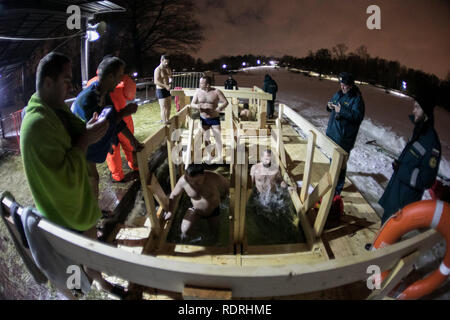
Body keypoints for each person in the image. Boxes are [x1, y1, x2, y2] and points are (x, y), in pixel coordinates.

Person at [20, 52, 126, 298]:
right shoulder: (37, 123)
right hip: (64, 211)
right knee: (74, 266)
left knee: (91, 250)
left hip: (80, 205)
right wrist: (85, 140)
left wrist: (90, 130)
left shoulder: (55, 109)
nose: (72, 86)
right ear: (48, 82)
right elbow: (62, 175)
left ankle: (100, 282)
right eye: (66, 80)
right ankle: (77, 292)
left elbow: (78, 133)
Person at [72, 57, 144, 201]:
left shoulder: (104, 93)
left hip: (89, 149)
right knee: (89, 180)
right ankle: (90, 216)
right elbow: (100, 127)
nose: (121, 80)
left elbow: (113, 119)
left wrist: (132, 140)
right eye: (119, 76)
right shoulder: (88, 99)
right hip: (78, 150)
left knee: (93, 178)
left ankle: (95, 212)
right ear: (110, 76)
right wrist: (124, 113)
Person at [379, 94, 441, 225]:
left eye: (417, 107)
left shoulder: (432, 143)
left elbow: (427, 179)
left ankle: (383, 246)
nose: (413, 111)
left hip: (405, 200)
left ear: (426, 112)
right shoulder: (419, 132)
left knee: (393, 232)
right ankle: (377, 246)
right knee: (385, 224)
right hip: (396, 192)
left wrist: (401, 170)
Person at [87, 71, 139, 183]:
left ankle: (117, 176)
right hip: (123, 119)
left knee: (112, 152)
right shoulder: (123, 79)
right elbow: (130, 95)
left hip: (105, 121)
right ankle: (135, 166)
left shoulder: (91, 83)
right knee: (130, 146)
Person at [325, 72, 365, 205]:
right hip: (333, 134)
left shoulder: (357, 99)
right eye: (341, 84)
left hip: (344, 138)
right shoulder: (339, 93)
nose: (342, 87)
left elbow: (357, 117)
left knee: (340, 164)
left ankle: (337, 190)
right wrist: (329, 105)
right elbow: (332, 103)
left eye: (345, 86)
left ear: (351, 85)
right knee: (333, 161)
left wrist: (341, 111)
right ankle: (330, 184)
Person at [163, 164, 230, 241]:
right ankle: (199, 239)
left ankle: (210, 242)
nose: (195, 184)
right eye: (191, 181)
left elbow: (227, 186)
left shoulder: (214, 177)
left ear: (204, 174)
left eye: (198, 181)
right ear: (187, 176)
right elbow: (173, 195)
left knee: (214, 234)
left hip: (213, 210)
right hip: (196, 210)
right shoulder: (183, 181)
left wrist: (226, 198)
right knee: (184, 231)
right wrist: (170, 212)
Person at [190, 76, 229, 161]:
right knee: (206, 138)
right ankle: (209, 155)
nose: (199, 84)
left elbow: (226, 102)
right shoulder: (198, 92)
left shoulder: (216, 91)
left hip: (214, 118)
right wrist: (197, 106)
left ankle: (219, 156)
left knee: (217, 137)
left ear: (207, 84)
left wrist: (220, 108)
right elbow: (192, 104)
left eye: (201, 83)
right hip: (204, 118)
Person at [154, 55, 173, 123]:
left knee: (169, 106)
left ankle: (167, 120)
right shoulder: (158, 69)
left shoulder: (167, 69)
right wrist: (165, 86)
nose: (166, 63)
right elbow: (156, 81)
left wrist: (170, 82)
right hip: (160, 90)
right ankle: (164, 122)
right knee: (164, 108)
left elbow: (170, 78)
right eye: (165, 62)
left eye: (167, 62)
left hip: (167, 89)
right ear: (161, 61)